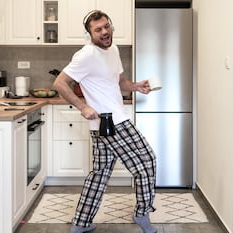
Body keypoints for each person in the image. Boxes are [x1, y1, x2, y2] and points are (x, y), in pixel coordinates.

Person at [53, 10, 157, 233]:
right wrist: (83, 106)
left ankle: (81, 223)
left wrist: (136, 86)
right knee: (147, 162)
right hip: (113, 121)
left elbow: (119, 81)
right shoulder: (86, 55)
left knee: (100, 174)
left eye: (106, 26)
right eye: (97, 29)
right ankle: (142, 213)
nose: (104, 32)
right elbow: (60, 83)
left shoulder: (114, 50)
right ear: (89, 33)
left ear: (111, 26)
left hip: (106, 124)